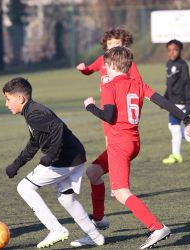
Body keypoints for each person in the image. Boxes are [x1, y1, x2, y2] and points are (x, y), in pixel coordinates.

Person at [83, 46, 190, 249]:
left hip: (119, 144)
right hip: (133, 142)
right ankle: (99, 219)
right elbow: (164, 102)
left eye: (106, 66)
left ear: (112, 66)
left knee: (120, 192)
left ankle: (156, 227)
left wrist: (90, 107)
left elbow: (108, 116)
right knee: (93, 172)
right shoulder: (138, 84)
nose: (104, 70)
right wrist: (186, 120)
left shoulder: (110, 86)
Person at [3, 77, 104, 248]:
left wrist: (50, 155)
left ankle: (56, 229)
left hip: (64, 160)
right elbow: (35, 142)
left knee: (24, 188)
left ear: (20, 98)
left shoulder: (34, 113)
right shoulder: (33, 112)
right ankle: (95, 236)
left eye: (8, 99)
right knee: (67, 200)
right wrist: (17, 164)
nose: (6, 104)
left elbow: (57, 126)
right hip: (76, 156)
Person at [75, 28, 143, 230]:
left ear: (125, 44)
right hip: (107, 108)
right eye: (111, 44)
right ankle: (116, 184)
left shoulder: (125, 63)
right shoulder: (102, 60)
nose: (114, 46)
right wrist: (83, 69)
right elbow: (90, 69)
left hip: (118, 110)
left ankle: (118, 186)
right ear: (106, 45)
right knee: (110, 145)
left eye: (118, 43)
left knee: (115, 147)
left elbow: (137, 83)